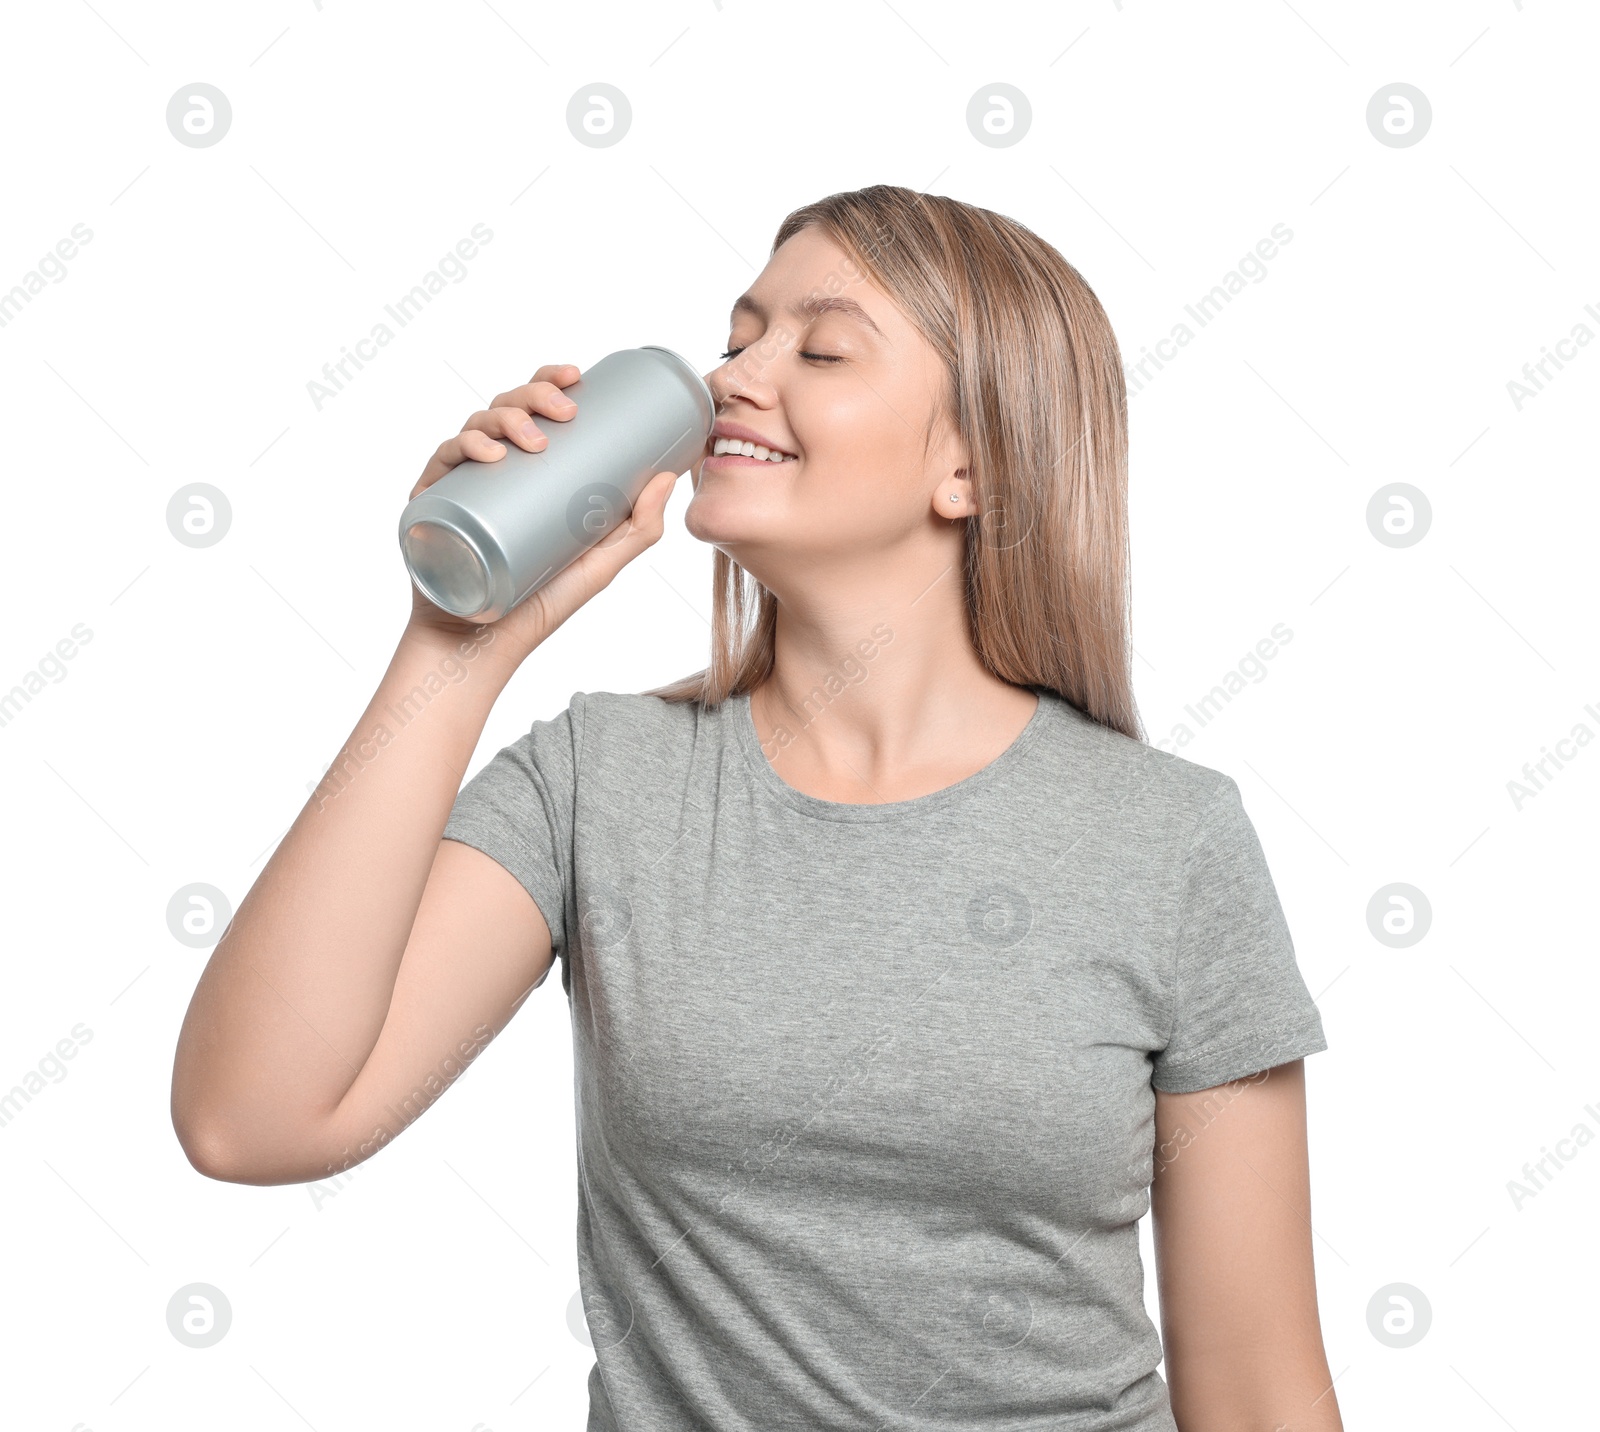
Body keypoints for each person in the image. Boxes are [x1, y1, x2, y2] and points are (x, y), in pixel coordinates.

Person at [171, 184, 1341, 1432]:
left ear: (973, 464)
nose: (733, 376)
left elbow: (1259, 1383)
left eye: (820, 348)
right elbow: (252, 1119)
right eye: (740, 337)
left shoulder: (1166, 840)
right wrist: (452, 649)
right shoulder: (599, 782)